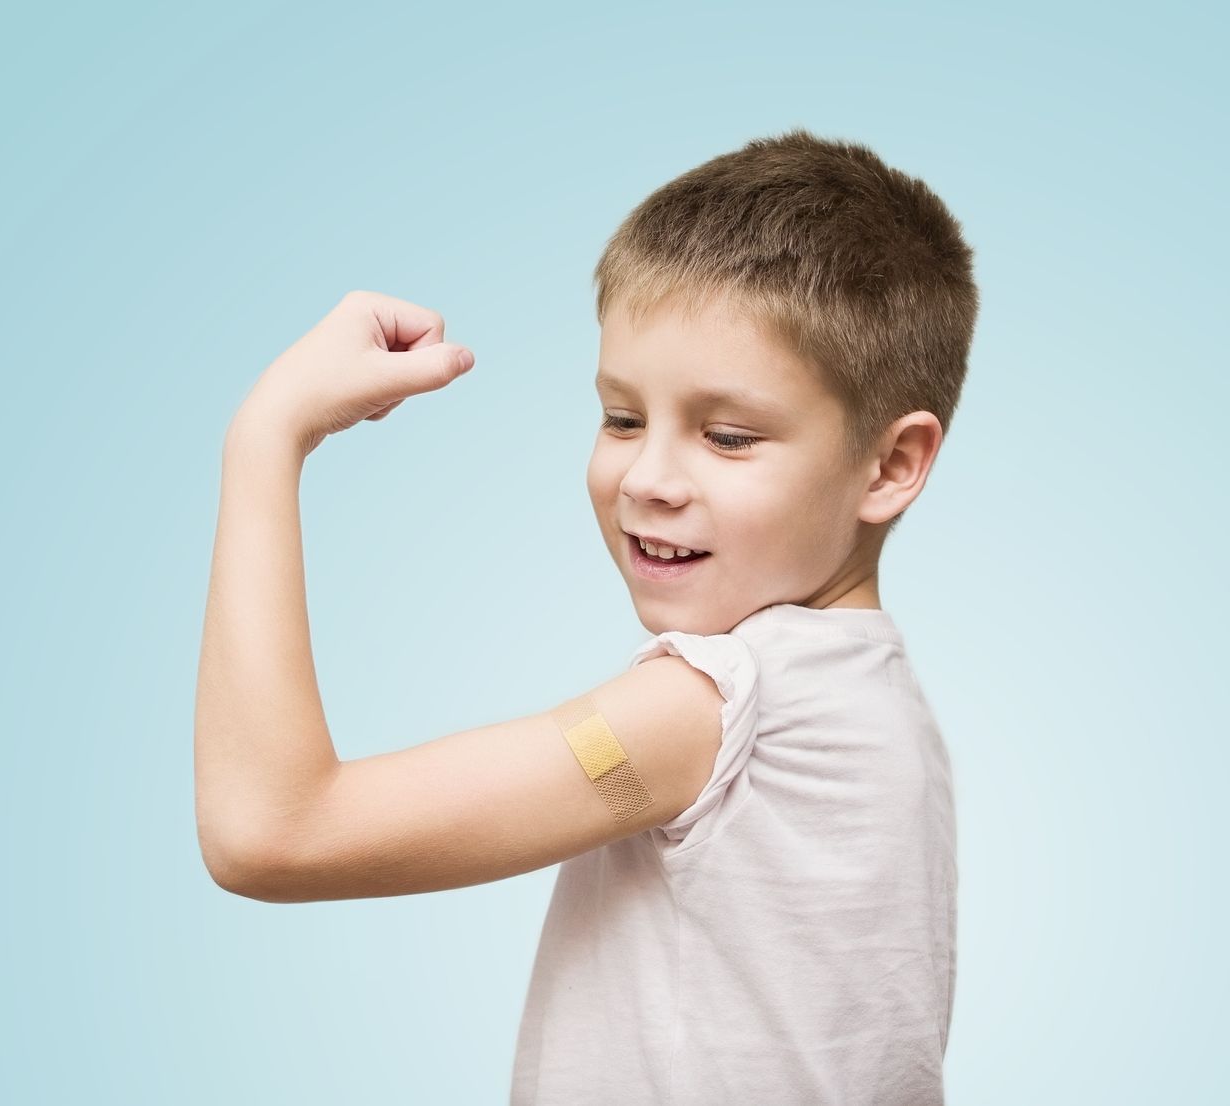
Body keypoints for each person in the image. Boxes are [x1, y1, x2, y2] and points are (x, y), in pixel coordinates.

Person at [192, 126, 973, 1104]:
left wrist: (266, 434)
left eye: (727, 436)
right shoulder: (876, 702)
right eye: (621, 417)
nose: (647, 478)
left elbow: (271, 831)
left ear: (891, 464)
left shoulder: (715, 705)